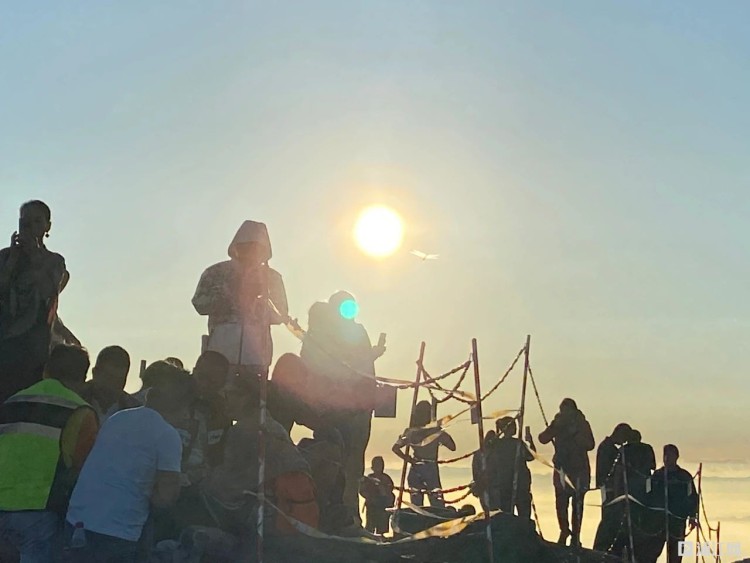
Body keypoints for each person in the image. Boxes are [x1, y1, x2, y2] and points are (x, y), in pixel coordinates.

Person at [65, 365, 192, 562]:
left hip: (77, 522)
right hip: (117, 531)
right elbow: (165, 497)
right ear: (184, 406)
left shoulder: (118, 418)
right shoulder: (167, 435)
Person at [0, 344, 98, 562]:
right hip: (40, 513)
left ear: (46, 370)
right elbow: (84, 469)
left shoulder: (12, 402)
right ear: (83, 378)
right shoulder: (81, 411)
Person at [298, 291, 385, 524]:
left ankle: (349, 516)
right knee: (336, 461)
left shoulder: (356, 331)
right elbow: (325, 367)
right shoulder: (322, 337)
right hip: (335, 409)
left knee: (353, 465)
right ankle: (335, 515)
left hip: (357, 409)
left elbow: (363, 367)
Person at [202, 374, 318, 541]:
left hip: (272, 516)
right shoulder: (273, 426)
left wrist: (204, 477)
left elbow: (232, 485)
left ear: (249, 398)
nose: (226, 401)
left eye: (232, 395)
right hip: (301, 512)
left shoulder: (241, 430)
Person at [192, 220, 288, 375]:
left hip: (256, 358)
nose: (250, 252)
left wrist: (259, 301)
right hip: (219, 355)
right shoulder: (216, 272)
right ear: (236, 246)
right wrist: (231, 296)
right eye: (246, 246)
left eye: (256, 247)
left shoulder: (271, 278)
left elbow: (281, 314)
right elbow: (199, 303)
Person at [0, 201, 69, 403]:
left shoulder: (54, 261)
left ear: (48, 226)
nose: (31, 226)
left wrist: (34, 256)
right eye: (26, 221)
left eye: (37, 221)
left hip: (34, 348)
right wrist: (12, 262)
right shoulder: (4, 257)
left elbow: (49, 292)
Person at [538, 398, 595, 547]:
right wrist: (554, 427)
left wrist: (575, 434)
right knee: (561, 503)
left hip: (579, 469)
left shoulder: (581, 424)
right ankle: (564, 530)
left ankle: (576, 535)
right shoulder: (558, 423)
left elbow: (590, 444)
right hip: (562, 469)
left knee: (578, 504)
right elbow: (543, 438)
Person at [393, 400, 455, 508]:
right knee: (437, 504)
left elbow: (395, 448)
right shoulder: (433, 431)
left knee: (418, 505)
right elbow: (452, 446)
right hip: (430, 469)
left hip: (416, 468)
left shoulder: (410, 432)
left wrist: (409, 459)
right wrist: (440, 433)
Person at [644, 444, 699, 563]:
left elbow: (693, 497)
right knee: (651, 553)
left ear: (676, 456)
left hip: (677, 521)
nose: (667, 458)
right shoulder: (657, 476)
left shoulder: (684, 476)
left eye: (670, 455)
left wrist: (693, 516)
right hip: (658, 522)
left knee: (676, 556)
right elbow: (648, 496)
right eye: (665, 455)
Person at [473, 417, 535, 520]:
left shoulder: (497, 445)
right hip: (519, 485)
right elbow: (531, 456)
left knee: (506, 517)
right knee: (523, 516)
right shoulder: (516, 444)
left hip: (505, 486)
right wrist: (530, 441)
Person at [592, 422, 632, 551]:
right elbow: (613, 471)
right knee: (610, 519)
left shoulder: (606, 447)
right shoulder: (609, 449)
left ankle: (604, 547)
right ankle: (602, 547)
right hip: (610, 489)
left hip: (607, 488)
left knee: (610, 518)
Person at [79, 345, 140, 424]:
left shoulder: (135, 410)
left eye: (119, 380)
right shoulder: (75, 400)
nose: (113, 387)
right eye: (109, 378)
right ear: (95, 373)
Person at [359, 456, 395, 535]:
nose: (379, 467)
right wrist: (370, 497)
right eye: (377, 465)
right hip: (371, 507)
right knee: (370, 528)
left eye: (380, 465)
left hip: (382, 507)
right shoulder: (369, 478)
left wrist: (383, 490)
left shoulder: (386, 478)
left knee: (382, 530)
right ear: (372, 467)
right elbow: (362, 490)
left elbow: (390, 490)